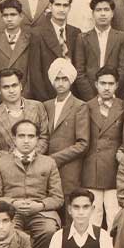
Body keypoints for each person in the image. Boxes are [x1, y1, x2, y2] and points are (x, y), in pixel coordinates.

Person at [0, 118, 63, 248]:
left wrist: (40, 205)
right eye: (21, 136)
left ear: (37, 139)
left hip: (41, 213)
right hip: (10, 213)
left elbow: (58, 197)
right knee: (5, 230)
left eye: (31, 136)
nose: (26, 141)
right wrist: (13, 203)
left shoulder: (48, 162)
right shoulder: (1, 162)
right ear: (14, 139)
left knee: (49, 230)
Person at [80, 67, 124, 231]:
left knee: (114, 214)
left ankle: (115, 247)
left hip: (115, 168)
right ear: (96, 85)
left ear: (117, 85)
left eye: (110, 84)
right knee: (93, 214)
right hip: (92, 168)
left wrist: (122, 154)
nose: (107, 87)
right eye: (103, 83)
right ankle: (93, 246)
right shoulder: (86, 106)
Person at [43, 58, 89, 190]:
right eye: (57, 79)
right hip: (46, 169)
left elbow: (82, 144)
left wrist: (55, 158)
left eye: (64, 79)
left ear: (70, 80)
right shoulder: (46, 105)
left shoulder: (80, 106)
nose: (60, 83)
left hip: (70, 168)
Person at [27, 0, 81, 100]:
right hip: (48, 94)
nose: (61, 9)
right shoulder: (37, 33)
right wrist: (45, 100)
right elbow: (35, 72)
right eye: (57, 5)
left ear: (70, 8)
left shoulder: (75, 32)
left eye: (65, 5)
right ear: (50, 7)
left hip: (72, 95)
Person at [73, 0, 124, 99]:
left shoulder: (122, 37)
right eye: (98, 10)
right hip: (89, 95)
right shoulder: (83, 38)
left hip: (114, 95)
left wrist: (111, 92)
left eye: (106, 10)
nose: (103, 14)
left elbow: (123, 69)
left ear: (112, 13)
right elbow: (79, 71)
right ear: (93, 14)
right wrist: (91, 98)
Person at [0, 67, 49, 158]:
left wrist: (29, 157)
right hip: (8, 165)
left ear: (21, 86)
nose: (11, 91)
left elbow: (44, 137)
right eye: (6, 87)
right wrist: (12, 159)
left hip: (36, 162)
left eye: (14, 85)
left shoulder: (37, 107)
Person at [0, 0, 33, 95]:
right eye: (5, 15)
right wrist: (1, 94)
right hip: (1, 95)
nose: (9, 19)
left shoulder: (30, 40)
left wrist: (24, 95)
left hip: (25, 95)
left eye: (13, 15)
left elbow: (32, 74)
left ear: (21, 16)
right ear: (1, 17)